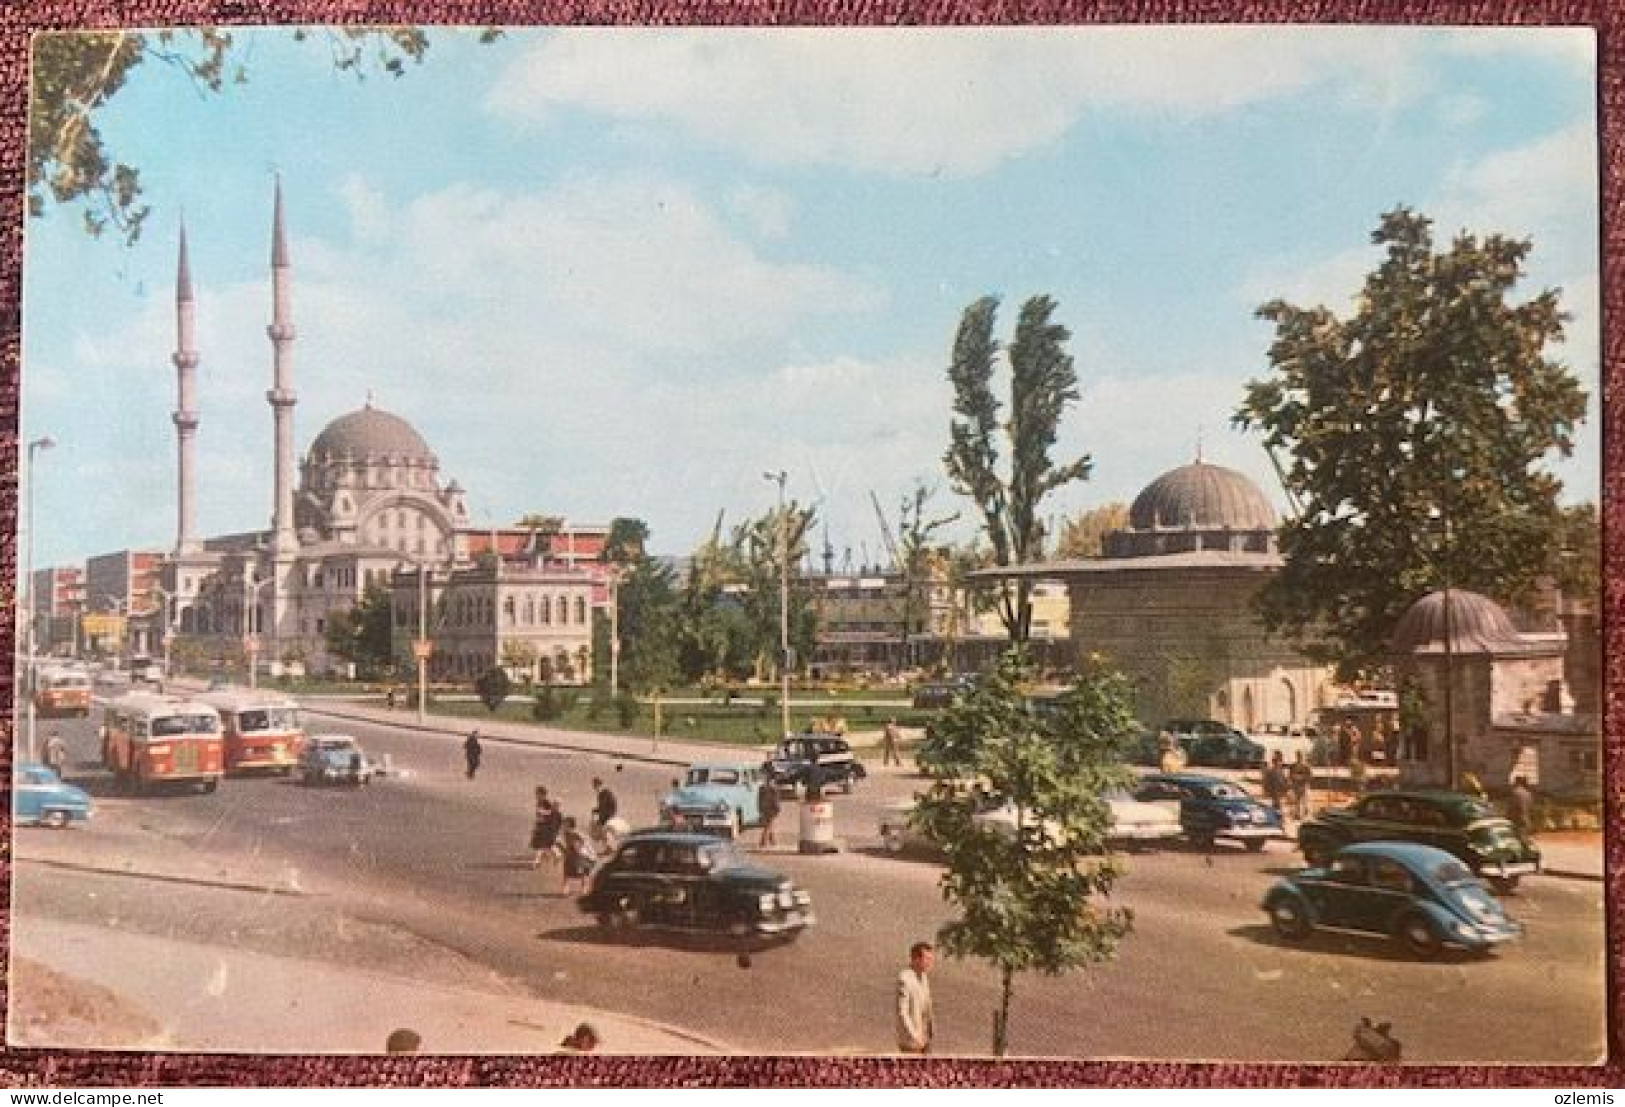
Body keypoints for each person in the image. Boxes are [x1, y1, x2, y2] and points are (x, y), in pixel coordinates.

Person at [895, 941, 935, 1055]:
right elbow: (902, 1012)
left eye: (931, 959)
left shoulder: (924, 977)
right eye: (927, 959)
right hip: (910, 1042)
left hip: (925, 1040)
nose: (930, 963)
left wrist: (929, 1032)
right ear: (916, 959)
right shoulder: (905, 979)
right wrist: (915, 1036)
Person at [560, 818, 597, 896]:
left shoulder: (575, 834)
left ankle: (583, 888)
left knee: (583, 872)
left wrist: (565, 850)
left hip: (585, 856)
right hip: (579, 855)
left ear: (569, 825)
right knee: (568, 869)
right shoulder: (567, 833)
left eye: (564, 824)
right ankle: (566, 889)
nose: (562, 826)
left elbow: (577, 847)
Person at [531, 787, 564, 869]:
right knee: (546, 846)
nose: (536, 795)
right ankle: (557, 855)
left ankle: (537, 862)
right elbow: (540, 816)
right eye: (536, 794)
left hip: (547, 830)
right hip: (543, 828)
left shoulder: (547, 804)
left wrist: (543, 813)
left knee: (541, 846)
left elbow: (551, 814)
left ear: (543, 795)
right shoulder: (539, 802)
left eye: (538, 794)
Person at [1288, 751, 1313, 821]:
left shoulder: (1306, 766)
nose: (1299, 757)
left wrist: (1303, 779)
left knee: (1304, 800)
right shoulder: (1293, 766)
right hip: (1296, 786)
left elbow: (1310, 776)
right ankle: (1297, 814)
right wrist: (1292, 782)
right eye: (1298, 756)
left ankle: (1305, 814)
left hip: (1303, 785)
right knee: (1296, 801)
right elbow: (1290, 776)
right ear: (1296, 756)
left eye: (1300, 756)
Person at [757, 777, 782, 848]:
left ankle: (773, 841)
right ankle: (763, 842)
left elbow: (758, 799)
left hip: (764, 808)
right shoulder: (774, 789)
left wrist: (759, 808)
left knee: (769, 824)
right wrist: (778, 808)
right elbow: (775, 800)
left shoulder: (761, 788)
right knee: (768, 825)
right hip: (771, 808)